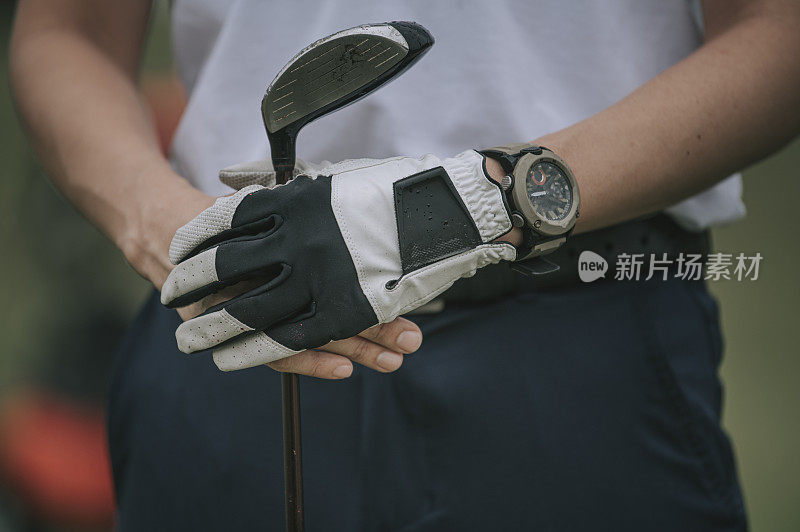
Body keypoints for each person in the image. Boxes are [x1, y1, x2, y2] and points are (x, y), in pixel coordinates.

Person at [10, 0, 800, 530]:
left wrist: (467, 207)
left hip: (576, 339)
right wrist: (172, 230)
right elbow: (63, 33)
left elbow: (776, 32)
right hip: (235, 324)